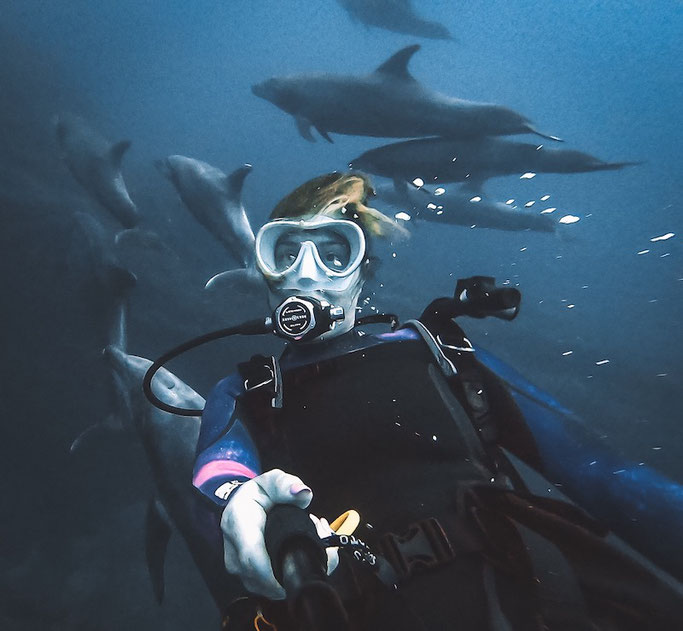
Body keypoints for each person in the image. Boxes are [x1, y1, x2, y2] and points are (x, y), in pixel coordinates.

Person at [192, 173, 683, 630]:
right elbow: (219, 474)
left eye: (334, 254)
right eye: (286, 253)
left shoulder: (443, 353)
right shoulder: (248, 389)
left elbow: (603, 476)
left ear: (363, 272)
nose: (306, 273)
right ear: (265, 269)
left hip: (528, 599)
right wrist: (240, 502)